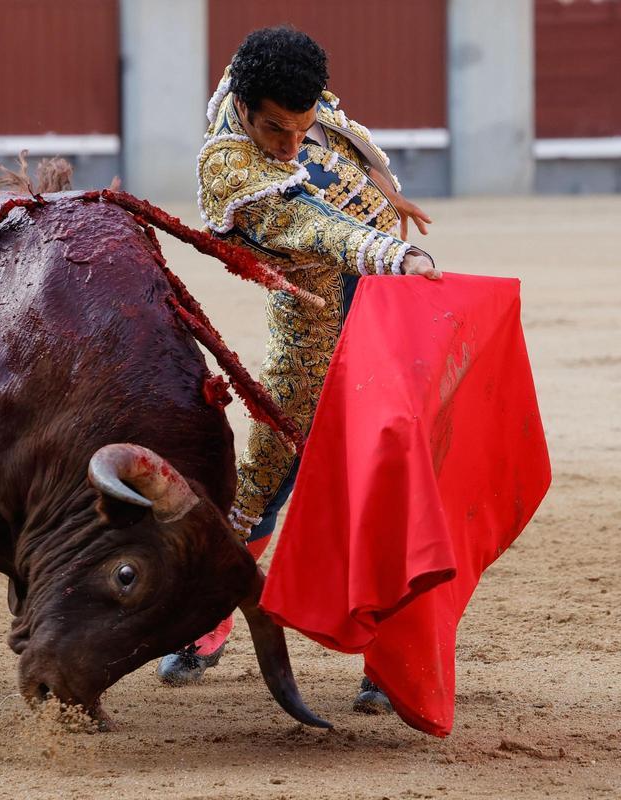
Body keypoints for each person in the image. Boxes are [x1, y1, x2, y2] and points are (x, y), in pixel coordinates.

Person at [156, 25, 440, 713]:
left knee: (391, 476)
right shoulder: (229, 168)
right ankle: (210, 615)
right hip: (317, 320)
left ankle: (390, 659)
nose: (289, 145)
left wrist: (381, 188)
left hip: (385, 313)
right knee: (263, 474)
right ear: (246, 110)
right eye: (276, 133)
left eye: (297, 130)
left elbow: (337, 127)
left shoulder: (268, 83)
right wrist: (390, 252)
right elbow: (317, 228)